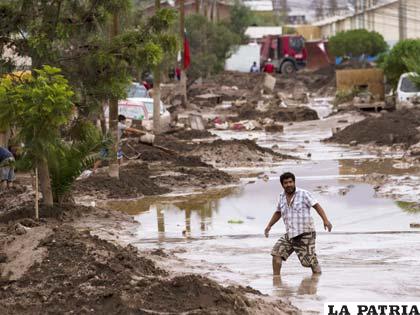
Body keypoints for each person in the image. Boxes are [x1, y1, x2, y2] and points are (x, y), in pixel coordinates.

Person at [264, 172, 332, 275]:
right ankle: (276, 280)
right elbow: (278, 213)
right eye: (286, 183)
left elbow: (317, 206)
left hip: (305, 233)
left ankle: (316, 279)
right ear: (282, 184)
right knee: (276, 253)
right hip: (290, 233)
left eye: (290, 182)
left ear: (294, 182)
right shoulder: (281, 196)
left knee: (308, 262)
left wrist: (325, 220)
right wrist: (269, 226)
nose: (289, 185)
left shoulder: (303, 194)